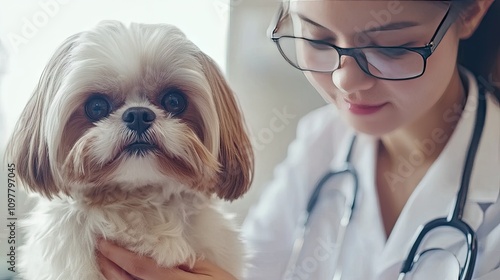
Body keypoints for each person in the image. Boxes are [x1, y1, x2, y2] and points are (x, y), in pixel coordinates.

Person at [97, 0, 500, 279]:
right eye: (318, 40)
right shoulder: (320, 141)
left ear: (473, 10)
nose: (345, 79)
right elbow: (248, 266)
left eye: (389, 45)